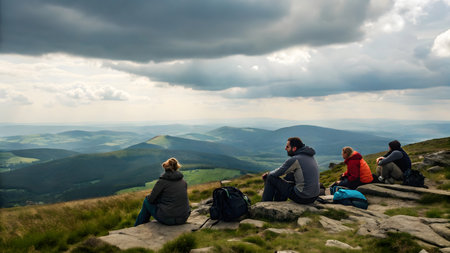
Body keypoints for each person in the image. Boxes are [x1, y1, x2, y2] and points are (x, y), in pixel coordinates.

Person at [261, 137, 320, 204]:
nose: (285, 148)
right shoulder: (310, 156)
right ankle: (279, 201)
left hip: (302, 197)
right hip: (314, 197)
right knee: (289, 175)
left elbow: (276, 173)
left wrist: (267, 174)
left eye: (287, 147)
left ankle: (265, 204)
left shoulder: (295, 159)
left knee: (270, 177)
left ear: (294, 148)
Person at [135, 157, 190, 226]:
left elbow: (151, 199)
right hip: (183, 217)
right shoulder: (183, 182)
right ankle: (143, 223)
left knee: (146, 200)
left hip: (168, 219)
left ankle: (139, 225)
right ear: (177, 167)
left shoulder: (162, 182)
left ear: (165, 168)